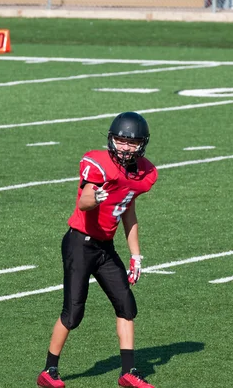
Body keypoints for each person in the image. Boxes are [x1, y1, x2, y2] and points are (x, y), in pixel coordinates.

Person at [37, 112, 158, 388]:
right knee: (73, 313)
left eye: (132, 142)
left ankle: (128, 372)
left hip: (104, 247)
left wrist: (136, 254)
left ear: (143, 144)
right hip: (79, 242)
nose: (125, 147)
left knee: (127, 306)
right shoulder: (98, 164)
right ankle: (49, 371)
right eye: (120, 141)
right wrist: (96, 196)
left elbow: (129, 211)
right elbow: (85, 201)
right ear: (111, 140)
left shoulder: (144, 173)